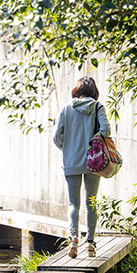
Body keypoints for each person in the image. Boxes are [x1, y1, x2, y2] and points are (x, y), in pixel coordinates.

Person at [53, 76, 111, 258]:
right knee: (91, 202)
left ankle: (73, 239)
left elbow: (56, 136)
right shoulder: (97, 107)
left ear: (76, 90)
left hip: (71, 161)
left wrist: (67, 148)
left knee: (73, 203)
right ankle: (91, 244)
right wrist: (94, 142)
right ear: (94, 92)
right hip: (93, 161)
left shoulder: (65, 108)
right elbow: (106, 130)